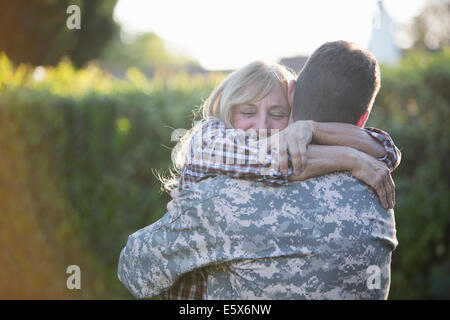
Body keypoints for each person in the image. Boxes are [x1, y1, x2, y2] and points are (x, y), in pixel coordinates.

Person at [118, 41, 399, 299]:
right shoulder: (376, 193)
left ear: (292, 101)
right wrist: (349, 157)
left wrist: (316, 133)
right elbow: (383, 150)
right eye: (247, 112)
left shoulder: (221, 199)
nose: (262, 125)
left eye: (277, 114)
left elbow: (135, 270)